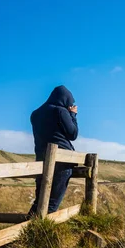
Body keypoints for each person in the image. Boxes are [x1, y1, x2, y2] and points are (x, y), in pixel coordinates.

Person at [28, 85, 79, 215]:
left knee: (39, 201)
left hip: (41, 160)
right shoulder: (60, 111)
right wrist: (72, 115)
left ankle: (23, 231)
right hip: (62, 160)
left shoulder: (35, 113)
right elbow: (72, 134)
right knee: (52, 203)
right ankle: (39, 232)